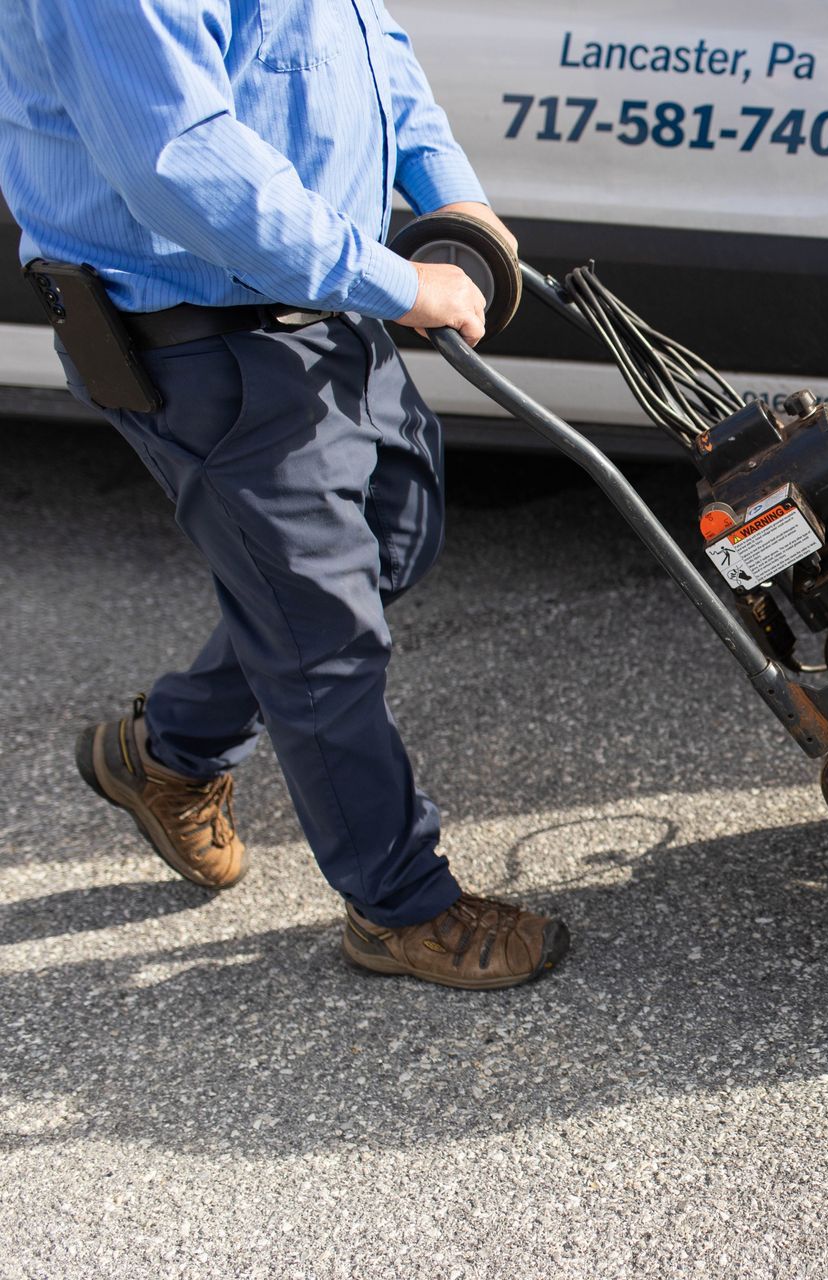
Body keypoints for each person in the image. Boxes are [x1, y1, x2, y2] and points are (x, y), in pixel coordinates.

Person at [0, 0, 569, 989]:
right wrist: (390, 280)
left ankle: (168, 752)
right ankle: (401, 907)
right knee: (323, 637)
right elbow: (180, 159)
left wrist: (453, 203)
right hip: (199, 335)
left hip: (320, 296)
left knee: (396, 536)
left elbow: (366, 46)